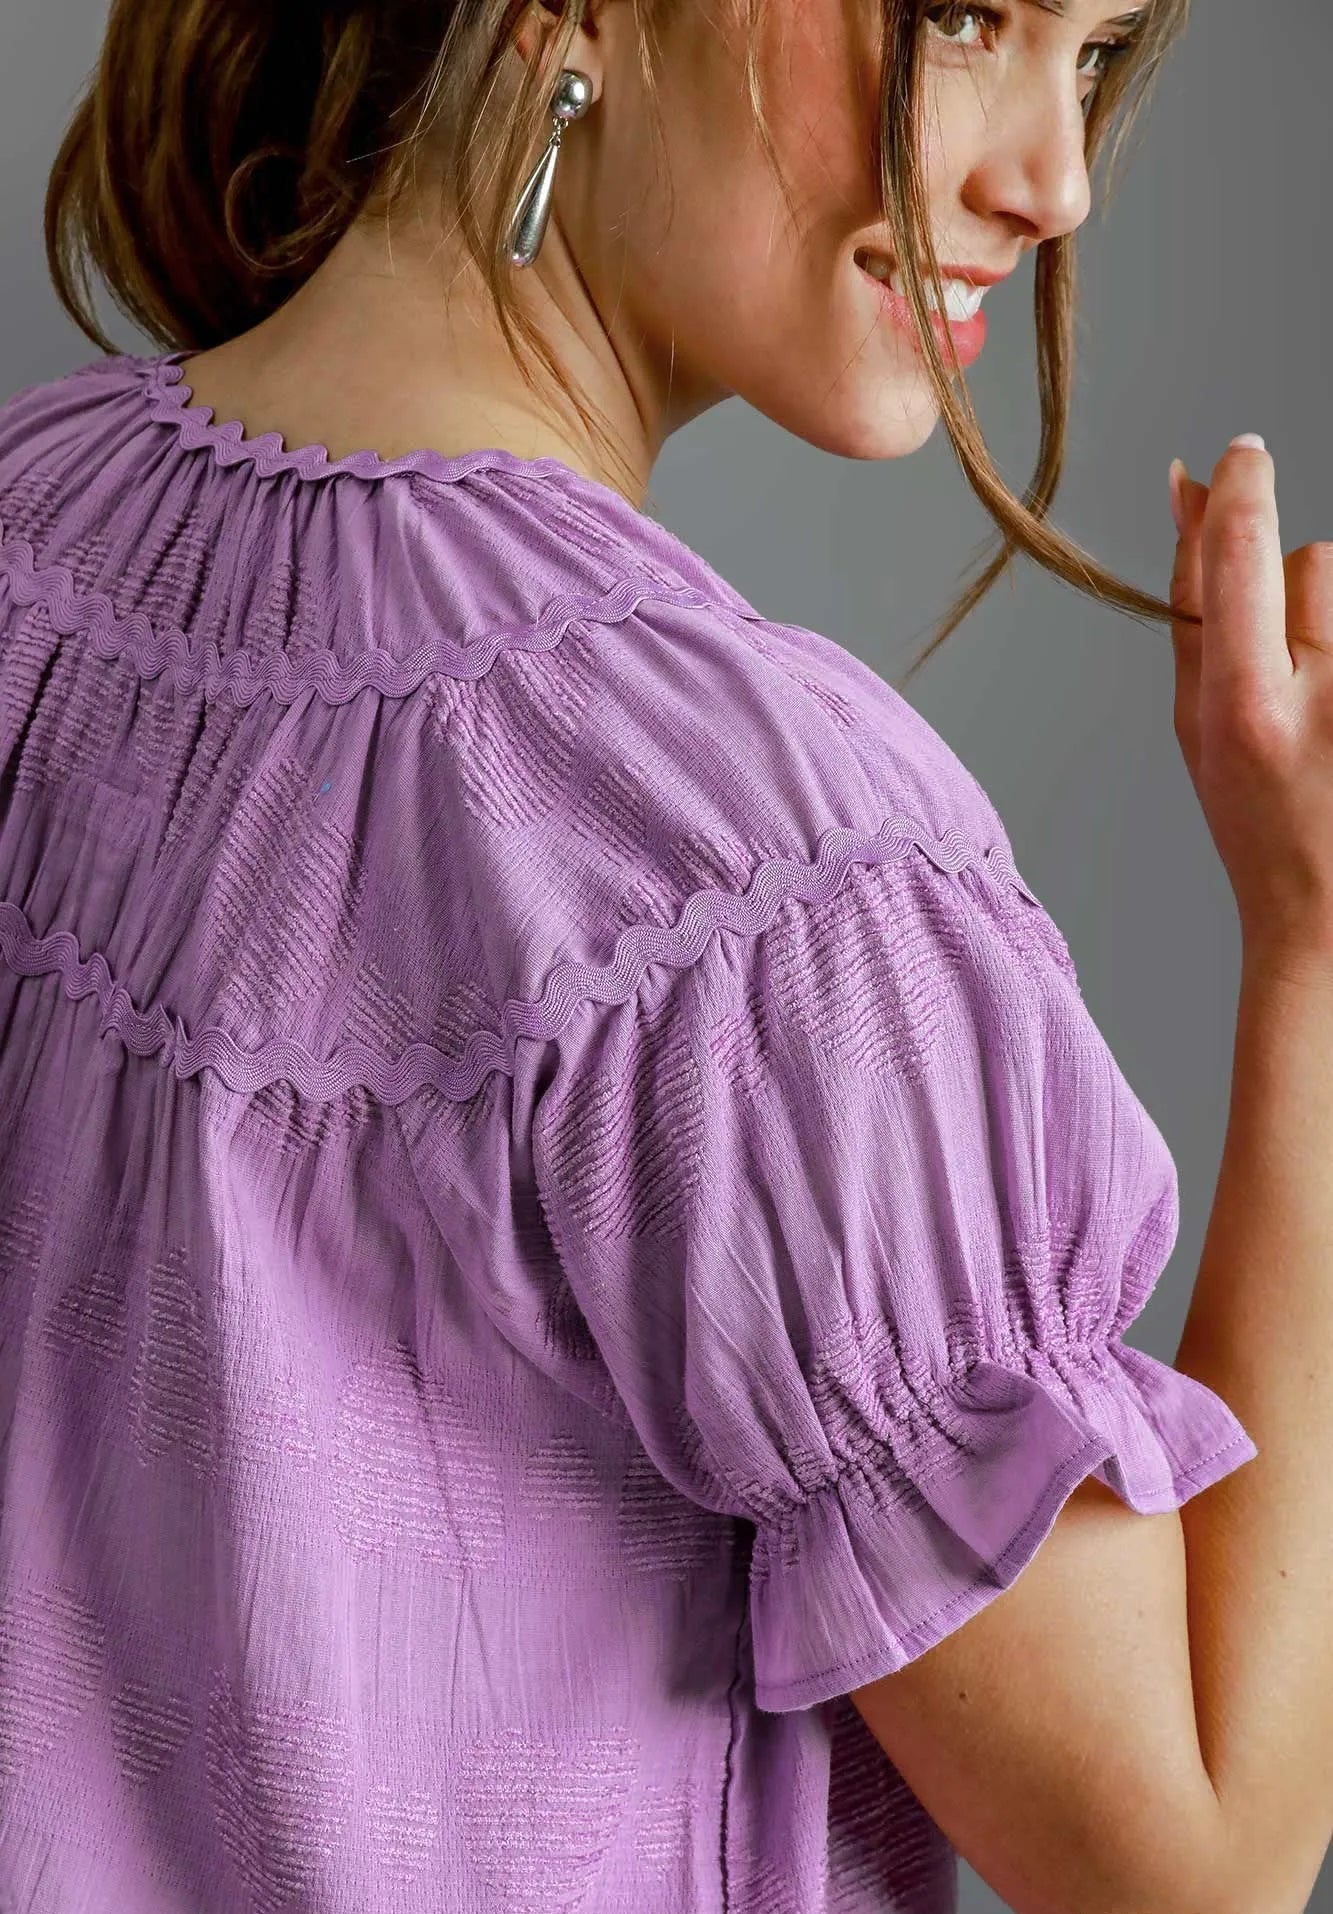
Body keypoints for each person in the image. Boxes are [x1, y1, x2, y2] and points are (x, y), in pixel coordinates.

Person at [0, 0, 1329, 1910]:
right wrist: (1316, 951)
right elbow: (1194, 1854)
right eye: (966, 16)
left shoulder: (31, 542)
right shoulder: (755, 862)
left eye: (1097, 56)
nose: (1050, 178)